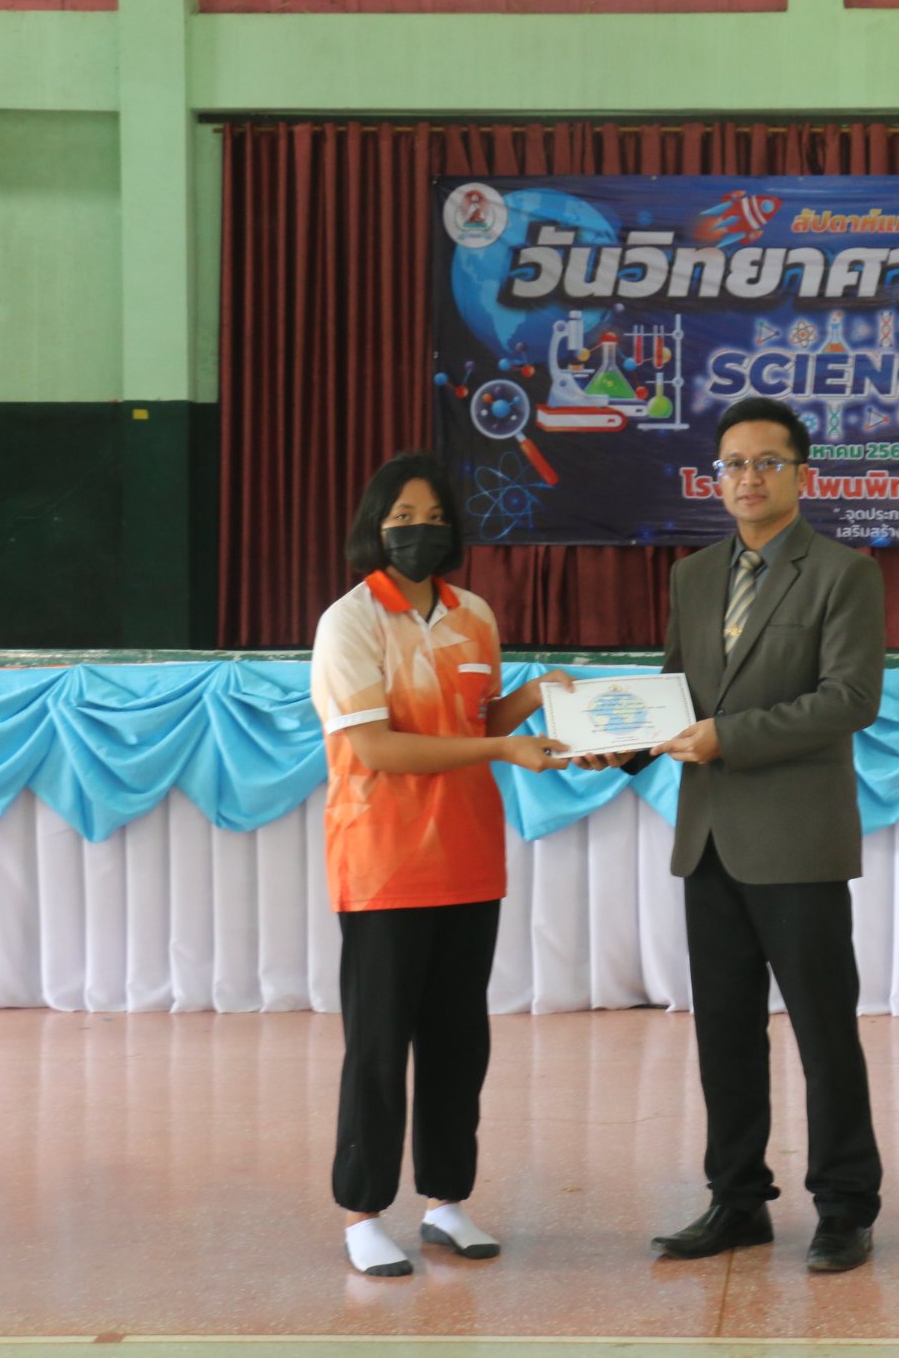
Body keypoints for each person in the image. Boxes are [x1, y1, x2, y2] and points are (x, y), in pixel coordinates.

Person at [575, 396, 886, 1273]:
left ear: (802, 474)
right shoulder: (694, 575)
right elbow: (676, 694)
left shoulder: (844, 573)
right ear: (717, 479)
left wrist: (729, 737)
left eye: (766, 462)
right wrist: (619, 743)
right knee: (724, 1032)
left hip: (798, 839)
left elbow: (848, 699)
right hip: (708, 837)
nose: (748, 478)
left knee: (824, 1032)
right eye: (733, 464)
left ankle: (845, 1206)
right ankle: (737, 1199)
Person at [309, 452, 572, 1278]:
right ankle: (361, 1213)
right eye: (402, 518)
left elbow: (476, 719)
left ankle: (446, 1200)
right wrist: (502, 747)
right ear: (374, 526)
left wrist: (535, 698)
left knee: (460, 1042)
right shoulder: (349, 621)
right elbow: (376, 746)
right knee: (379, 1046)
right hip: (382, 861)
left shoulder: (474, 615)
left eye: (433, 518)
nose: (418, 531)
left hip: (469, 855)